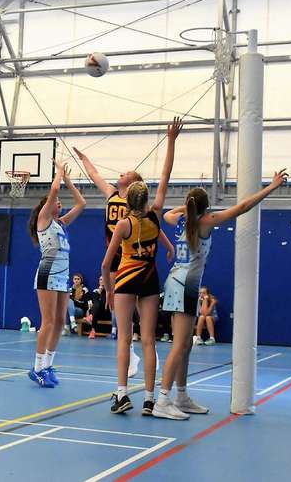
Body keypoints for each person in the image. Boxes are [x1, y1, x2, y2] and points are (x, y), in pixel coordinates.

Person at [153, 171, 288, 420]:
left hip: (178, 282)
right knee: (179, 345)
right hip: (184, 285)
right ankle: (162, 400)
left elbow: (166, 215)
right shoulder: (205, 221)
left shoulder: (183, 219)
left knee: (186, 348)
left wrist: (188, 206)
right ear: (205, 208)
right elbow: (243, 206)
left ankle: (181, 396)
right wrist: (271, 187)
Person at [75, 121, 177, 377]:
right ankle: (129, 351)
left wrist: (166, 244)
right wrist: (85, 158)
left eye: (126, 173)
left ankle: (132, 348)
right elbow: (94, 174)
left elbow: (153, 226)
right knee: (116, 307)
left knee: (132, 307)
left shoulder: (139, 208)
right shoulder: (111, 193)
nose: (120, 173)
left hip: (132, 256)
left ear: (134, 184)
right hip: (116, 255)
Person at [101, 117, 182, 415]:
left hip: (125, 279)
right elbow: (165, 174)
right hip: (149, 278)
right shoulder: (154, 218)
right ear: (147, 199)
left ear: (127, 200)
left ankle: (122, 395)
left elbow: (105, 263)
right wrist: (171, 140)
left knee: (124, 338)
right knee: (148, 341)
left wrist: (109, 290)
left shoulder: (123, 224)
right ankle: (150, 399)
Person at [28, 161, 86, 387]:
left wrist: (68, 179)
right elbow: (53, 190)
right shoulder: (45, 220)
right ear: (48, 206)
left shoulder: (62, 223)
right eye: (57, 201)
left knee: (60, 322)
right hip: (47, 273)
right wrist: (58, 174)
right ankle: (37, 367)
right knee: (49, 321)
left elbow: (81, 203)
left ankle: (48, 365)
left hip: (62, 275)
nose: (60, 201)